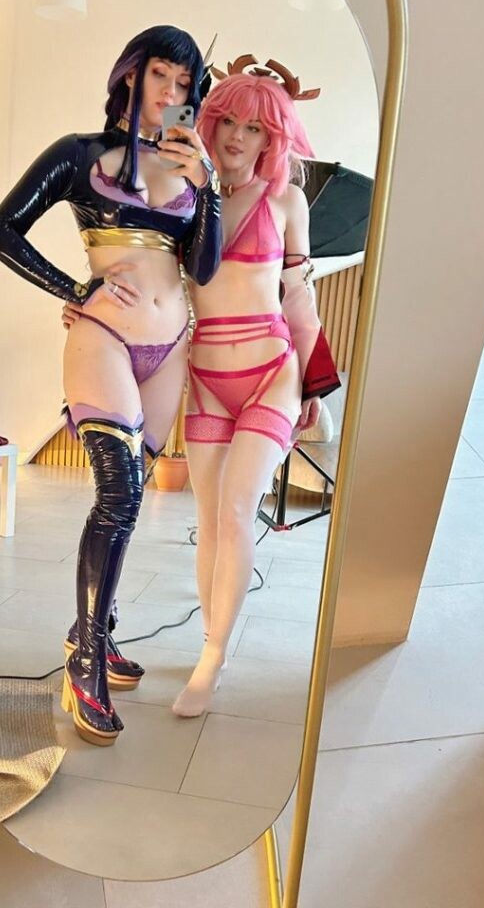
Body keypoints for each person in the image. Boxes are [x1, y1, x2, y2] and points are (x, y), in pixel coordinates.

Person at [0, 25, 222, 745]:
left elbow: (202, 268)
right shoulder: (78, 154)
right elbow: (2, 231)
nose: (170, 92)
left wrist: (207, 188)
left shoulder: (189, 167)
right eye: (160, 75)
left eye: (184, 84)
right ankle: (85, 659)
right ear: (131, 74)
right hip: (104, 339)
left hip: (169, 347)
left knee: (132, 491)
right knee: (118, 494)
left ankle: (96, 626)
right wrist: (75, 288)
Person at [171, 59, 340, 718]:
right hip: (206, 376)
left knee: (239, 509)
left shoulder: (285, 201)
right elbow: (150, 278)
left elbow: (298, 297)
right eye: (229, 123)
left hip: (271, 371)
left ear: (273, 139)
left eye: (255, 129)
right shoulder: (183, 199)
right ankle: (208, 644)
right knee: (211, 516)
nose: (238, 138)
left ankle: (212, 657)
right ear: (209, 124)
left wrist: (315, 384)